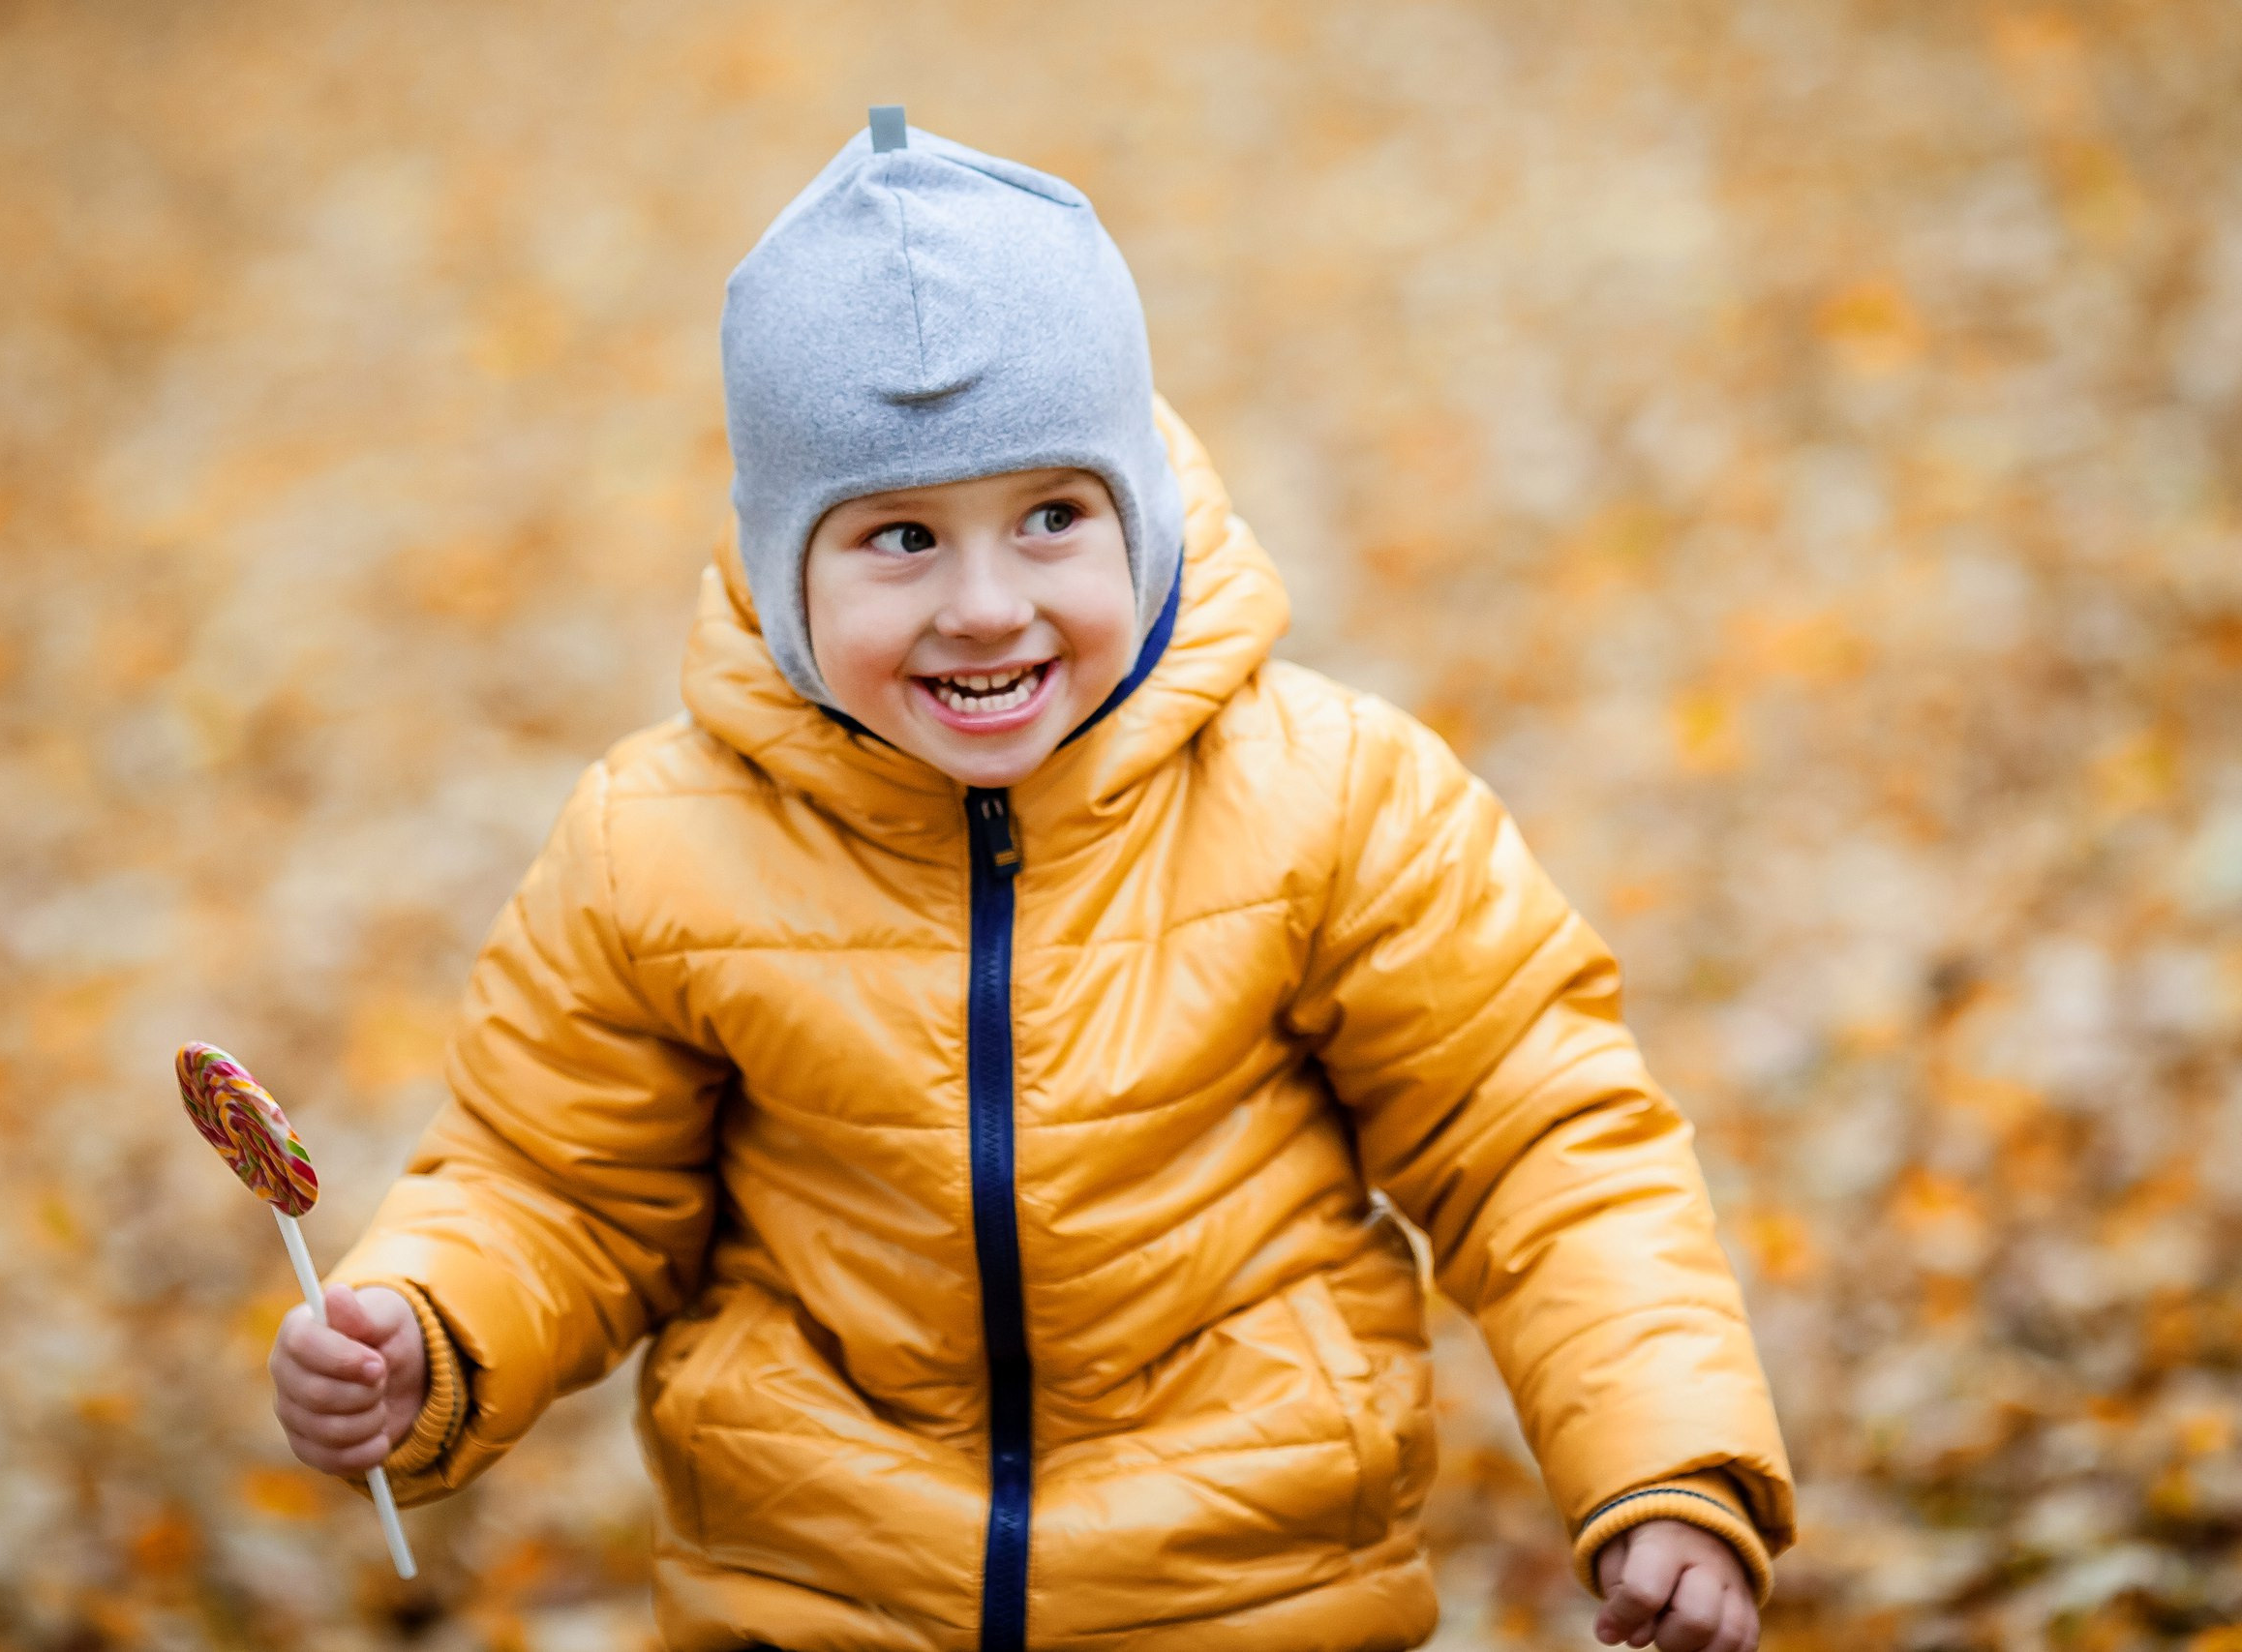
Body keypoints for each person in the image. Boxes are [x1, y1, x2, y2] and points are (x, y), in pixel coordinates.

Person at [267, 113, 1795, 1652]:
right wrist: (432, 1323)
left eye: (1052, 519)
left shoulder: (1334, 798)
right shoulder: (653, 847)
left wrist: (1664, 1462)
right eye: (901, 538)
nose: (986, 608)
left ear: (1141, 509)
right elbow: (556, 1184)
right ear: (783, 571)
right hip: (820, 1598)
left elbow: (1537, 1139)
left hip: (1248, 1592)